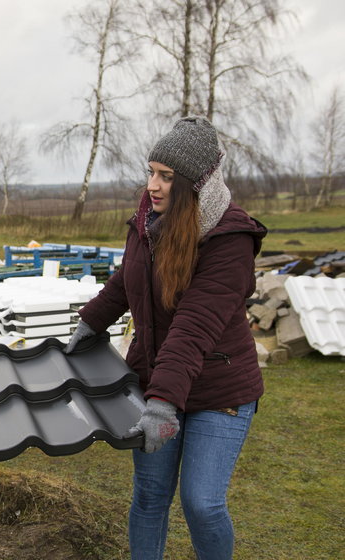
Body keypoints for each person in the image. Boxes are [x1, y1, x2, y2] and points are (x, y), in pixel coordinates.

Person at [65, 116, 267, 560]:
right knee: (151, 495)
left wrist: (162, 402)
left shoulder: (229, 238)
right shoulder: (148, 220)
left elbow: (194, 326)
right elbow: (127, 280)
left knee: (202, 503)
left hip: (219, 390)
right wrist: (92, 321)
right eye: (151, 172)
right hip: (159, 379)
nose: (153, 185)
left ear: (196, 184)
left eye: (167, 177)